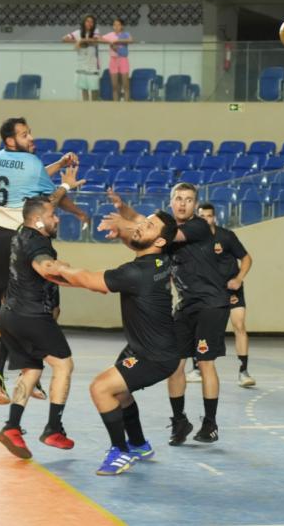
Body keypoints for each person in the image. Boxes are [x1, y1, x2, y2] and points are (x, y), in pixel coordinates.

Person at [101, 183, 229, 445]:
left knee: (205, 362)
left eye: (189, 200)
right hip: (185, 304)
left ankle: (210, 423)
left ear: (195, 205)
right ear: (171, 201)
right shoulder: (163, 233)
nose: (183, 204)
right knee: (175, 362)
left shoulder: (197, 227)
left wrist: (124, 221)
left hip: (211, 304)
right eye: (178, 199)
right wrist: (122, 215)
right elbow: (146, 236)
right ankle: (179, 420)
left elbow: (155, 230)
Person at [56, 210, 181, 475]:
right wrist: (125, 231)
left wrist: (56, 270)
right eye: (143, 221)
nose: (140, 227)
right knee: (120, 392)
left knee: (101, 388)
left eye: (148, 227)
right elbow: (136, 244)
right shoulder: (161, 262)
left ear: (159, 241)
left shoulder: (136, 273)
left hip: (155, 357)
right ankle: (138, 444)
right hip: (148, 347)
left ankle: (120, 453)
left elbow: (89, 280)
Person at [0, 117, 88, 403]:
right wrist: (65, 185)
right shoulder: (31, 164)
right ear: (10, 140)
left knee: (8, 307)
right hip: (23, 241)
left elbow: (30, 174)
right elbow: (47, 201)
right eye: (25, 134)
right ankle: (31, 371)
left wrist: (56, 165)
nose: (31, 137)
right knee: (47, 307)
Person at [0, 196, 76, 459]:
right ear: (38, 220)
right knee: (63, 365)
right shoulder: (39, 243)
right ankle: (54, 427)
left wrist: (64, 189)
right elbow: (45, 266)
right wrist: (79, 277)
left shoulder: (21, 233)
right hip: (32, 316)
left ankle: (12, 427)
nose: (57, 218)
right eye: (53, 215)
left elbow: (39, 204)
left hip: (9, 315)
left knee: (32, 369)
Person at [196, 202, 256, 387]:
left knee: (239, 324)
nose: (206, 219)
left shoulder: (226, 236)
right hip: (208, 290)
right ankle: (197, 367)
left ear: (214, 217)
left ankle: (243, 371)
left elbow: (246, 258)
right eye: (202, 216)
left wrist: (238, 278)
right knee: (200, 327)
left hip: (231, 288)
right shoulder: (194, 240)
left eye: (209, 216)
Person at [62, 14, 101, 101]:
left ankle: (95, 106)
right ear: (83, 22)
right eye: (87, 21)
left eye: (92, 22)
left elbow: (95, 41)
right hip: (82, 62)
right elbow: (64, 39)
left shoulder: (96, 31)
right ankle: (85, 107)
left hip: (93, 63)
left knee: (94, 87)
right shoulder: (77, 32)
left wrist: (82, 40)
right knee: (84, 87)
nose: (90, 23)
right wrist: (77, 41)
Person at [101, 18, 133, 102]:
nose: (116, 26)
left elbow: (130, 40)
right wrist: (109, 42)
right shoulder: (110, 35)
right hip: (113, 60)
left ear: (122, 26)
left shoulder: (125, 34)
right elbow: (100, 38)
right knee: (114, 85)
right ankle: (115, 104)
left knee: (125, 84)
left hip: (123, 60)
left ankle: (126, 103)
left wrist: (117, 40)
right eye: (114, 25)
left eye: (118, 24)